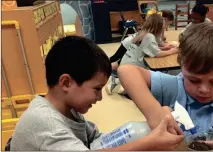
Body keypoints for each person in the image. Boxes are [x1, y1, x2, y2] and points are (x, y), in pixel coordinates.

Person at [8, 36, 184, 151]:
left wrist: (142, 132)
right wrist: (149, 142)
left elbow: (96, 141)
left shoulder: (69, 109)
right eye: (97, 89)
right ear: (66, 83)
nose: (100, 98)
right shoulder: (43, 122)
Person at [118, 23, 213, 151]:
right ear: (181, 65)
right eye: (194, 80)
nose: (203, 89)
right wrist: (155, 115)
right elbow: (126, 71)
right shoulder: (173, 87)